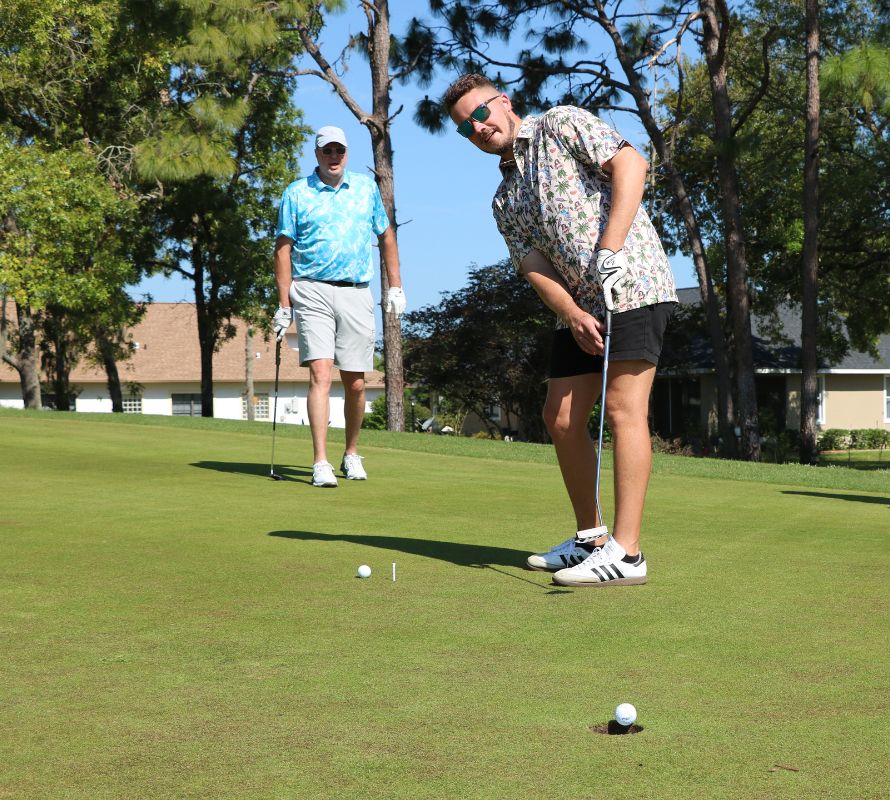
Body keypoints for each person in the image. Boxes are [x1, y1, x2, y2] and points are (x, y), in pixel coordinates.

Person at [443, 75, 678, 587]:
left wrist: (611, 250)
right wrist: (571, 312)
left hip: (634, 281)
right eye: (465, 128)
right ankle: (591, 539)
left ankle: (629, 554)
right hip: (583, 305)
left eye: (481, 113)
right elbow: (534, 265)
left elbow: (631, 164)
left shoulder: (560, 123)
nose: (478, 127)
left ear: (504, 101)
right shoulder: (504, 199)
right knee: (562, 416)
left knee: (621, 409)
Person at [273, 125, 404, 487]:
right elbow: (283, 250)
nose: (334, 156)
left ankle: (350, 453)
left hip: (356, 291)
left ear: (346, 153)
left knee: (357, 383)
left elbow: (386, 235)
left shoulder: (365, 188)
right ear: (317, 154)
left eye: (339, 151)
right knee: (321, 374)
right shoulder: (297, 193)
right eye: (327, 151)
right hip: (311, 290)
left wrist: (395, 287)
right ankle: (320, 461)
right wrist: (284, 305)